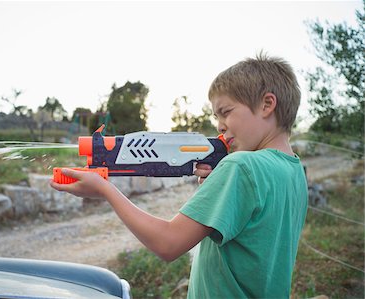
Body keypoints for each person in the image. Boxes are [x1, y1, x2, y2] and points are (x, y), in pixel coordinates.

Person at [50, 52, 308, 298]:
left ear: (267, 104)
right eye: (216, 116)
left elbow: (168, 243)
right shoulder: (293, 170)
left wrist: (105, 190)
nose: (219, 125)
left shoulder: (241, 167)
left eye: (226, 112)